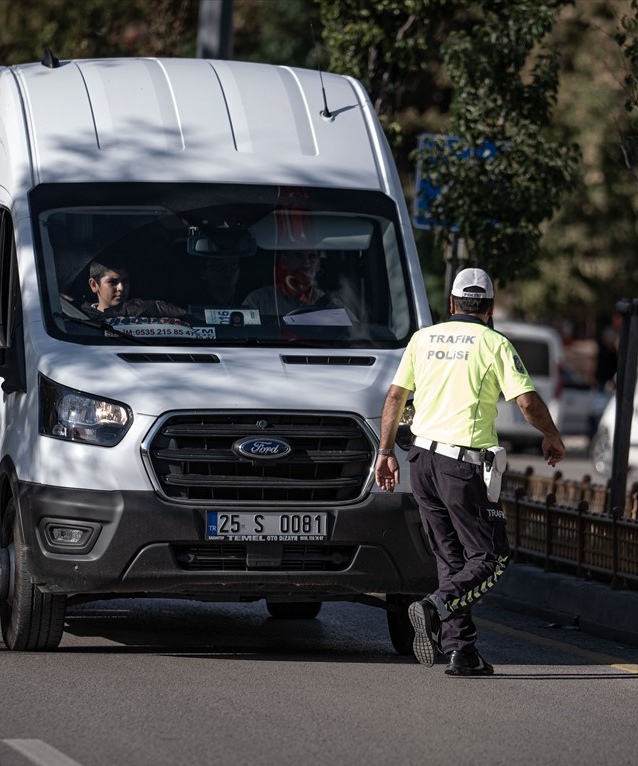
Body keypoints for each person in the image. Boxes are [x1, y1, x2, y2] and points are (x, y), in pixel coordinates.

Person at [375, 267, 565, 677]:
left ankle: (462, 651)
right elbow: (527, 402)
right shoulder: (494, 343)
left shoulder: (422, 339)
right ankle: (433, 606)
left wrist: (384, 451)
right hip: (461, 467)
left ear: (452, 304)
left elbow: (394, 396)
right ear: (491, 308)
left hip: (421, 461)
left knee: (451, 558)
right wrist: (550, 435)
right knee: (491, 557)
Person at [241, 250, 349, 319]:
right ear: (284, 261)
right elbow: (243, 334)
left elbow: (355, 333)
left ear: (318, 264)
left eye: (311, 256)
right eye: (298, 254)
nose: (306, 263)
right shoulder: (258, 301)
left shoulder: (331, 305)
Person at [85, 258, 185, 319]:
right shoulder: (81, 319)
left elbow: (184, 316)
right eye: (112, 282)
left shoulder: (145, 309)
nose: (121, 288)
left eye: (125, 281)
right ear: (94, 285)